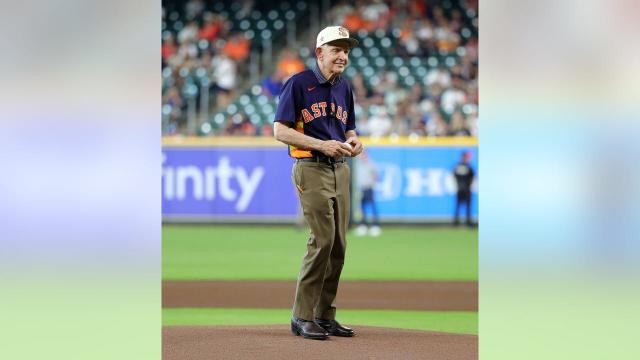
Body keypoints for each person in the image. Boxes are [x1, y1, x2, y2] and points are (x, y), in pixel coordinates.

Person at [273, 26, 363, 341]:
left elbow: (348, 128)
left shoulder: (345, 87)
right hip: (310, 167)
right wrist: (321, 145)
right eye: (336, 49)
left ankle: (325, 315)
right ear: (319, 53)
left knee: (339, 243)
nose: (342, 56)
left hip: (341, 169)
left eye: (346, 51)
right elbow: (280, 131)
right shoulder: (299, 84)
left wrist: (354, 141)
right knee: (322, 239)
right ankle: (302, 316)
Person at [355, 151, 381, 236]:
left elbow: (376, 176)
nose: (363, 157)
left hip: (369, 188)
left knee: (372, 206)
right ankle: (363, 226)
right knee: (362, 208)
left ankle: (375, 226)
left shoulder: (371, 164)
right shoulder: (358, 165)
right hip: (360, 189)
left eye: (364, 155)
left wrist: (372, 184)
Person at [453, 151, 475, 226]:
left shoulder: (460, 166)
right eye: (465, 157)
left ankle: (467, 222)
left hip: (464, 189)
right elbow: (472, 177)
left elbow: (472, 177)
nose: (466, 158)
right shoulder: (465, 166)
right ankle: (457, 222)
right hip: (462, 189)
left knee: (465, 206)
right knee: (459, 206)